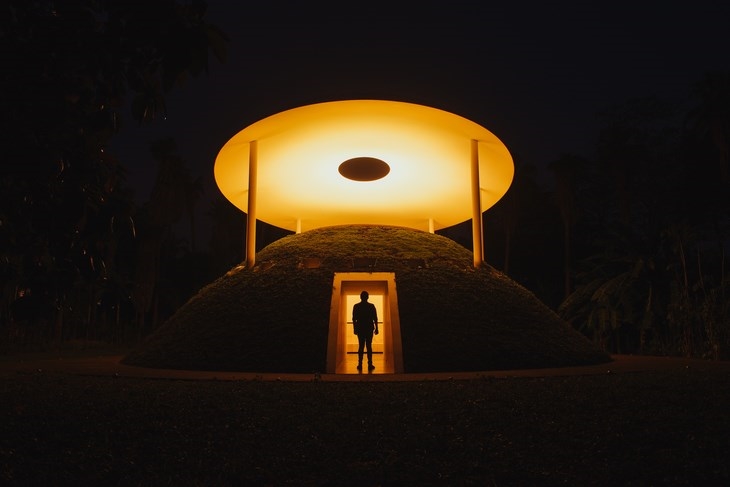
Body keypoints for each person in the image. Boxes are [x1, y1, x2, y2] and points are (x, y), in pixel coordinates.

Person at [352, 290, 379, 371]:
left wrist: (355, 328)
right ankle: (370, 364)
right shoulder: (371, 306)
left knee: (361, 346)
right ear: (368, 297)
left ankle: (360, 364)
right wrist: (377, 328)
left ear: (360, 297)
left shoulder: (356, 306)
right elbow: (375, 318)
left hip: (360, 328)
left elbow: (354, 319)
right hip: (369, 328)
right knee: (369, 346)